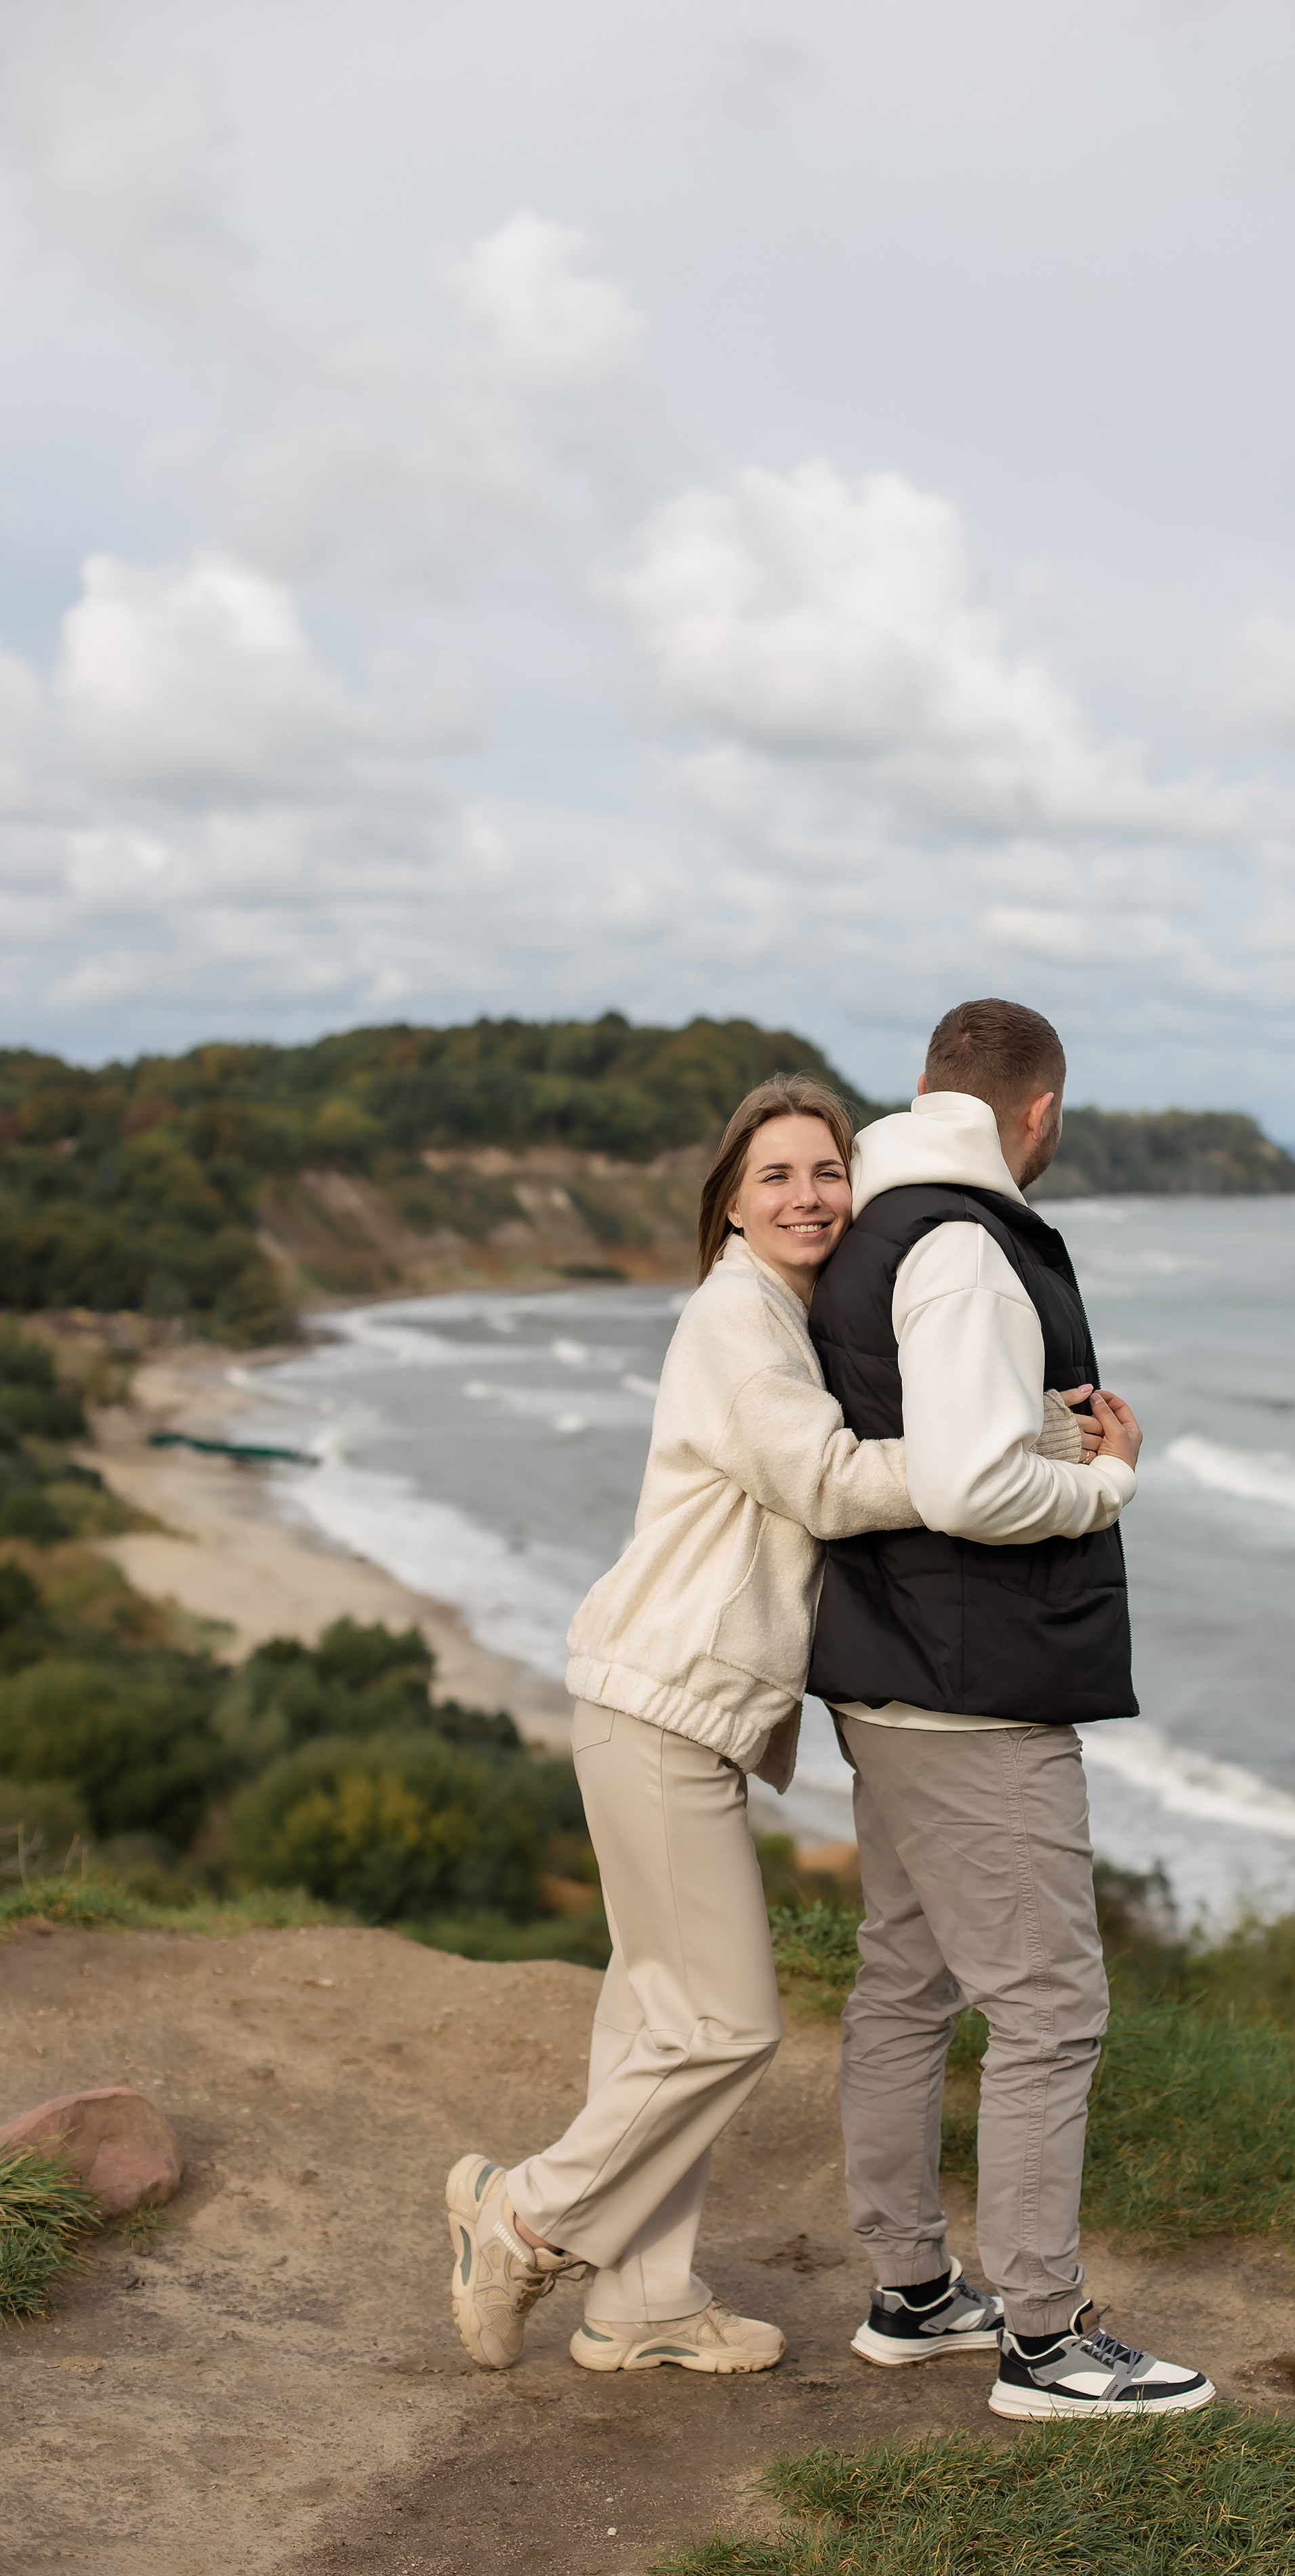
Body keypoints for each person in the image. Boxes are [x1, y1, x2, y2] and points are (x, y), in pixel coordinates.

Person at [443, 1068, 1089, 2381]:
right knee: (726, 2024)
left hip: (665, 1707)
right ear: (729, 1207)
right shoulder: (736, 1319)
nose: (808, 1196)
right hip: (657, 1707)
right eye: (775, 1176)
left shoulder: (792, 1320)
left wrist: (1007, 1423)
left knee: (649, 2017)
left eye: (826, 1170)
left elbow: (844, 1448)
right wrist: (1016, 1453)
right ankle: (522, 2215)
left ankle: (637, 2305)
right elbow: (831, 1479)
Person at [806, 998, 1216, 2420]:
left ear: (925, 1095)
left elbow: (934, 1441)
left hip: (890, 1671)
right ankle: (1041, 2339)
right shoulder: (970, 1249)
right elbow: (971, 1486)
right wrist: (1101, 1481)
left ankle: (914, 2292)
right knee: (1048, 2012)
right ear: (1033, 1115)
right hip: (973, 1689)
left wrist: (1035, 1436)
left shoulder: (875, 1226)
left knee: (907, 1983)